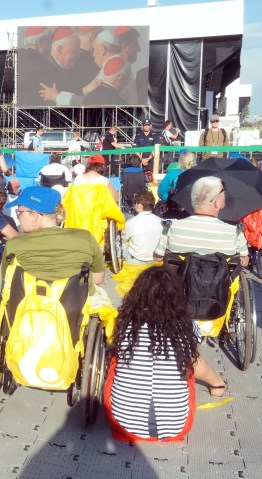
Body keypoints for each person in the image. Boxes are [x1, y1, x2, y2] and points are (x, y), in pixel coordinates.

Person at [104, 266, 227, 442]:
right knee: (187, 361)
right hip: (176, 428)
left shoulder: (124, 324)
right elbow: (194, 362)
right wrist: (217, 382)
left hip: (123, 426)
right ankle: (217, 385)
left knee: (116, 359)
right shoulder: (185, 327)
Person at [2, 186, 105, 297]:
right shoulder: (85, 238)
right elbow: (98, 278)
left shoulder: (14, 244)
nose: (18, 217)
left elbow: (7, 280)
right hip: (75, 308)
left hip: (28, 308)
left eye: (19, 212)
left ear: (33, 215)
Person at [153, 176, 249, 267]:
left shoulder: (171, 227)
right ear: (217, 201)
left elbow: (158, 257)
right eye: (224, 194)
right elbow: (244, 262)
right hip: (222, 283)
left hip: (179, 282)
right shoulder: (234, 232)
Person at [121, 191, 162, 264]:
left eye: (135, 203)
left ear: (139, 205)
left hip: (135, 260)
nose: (134, 205)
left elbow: (122, 239)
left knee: (120, 242)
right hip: (155, 258)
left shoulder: (131, 222)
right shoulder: (160, 221)